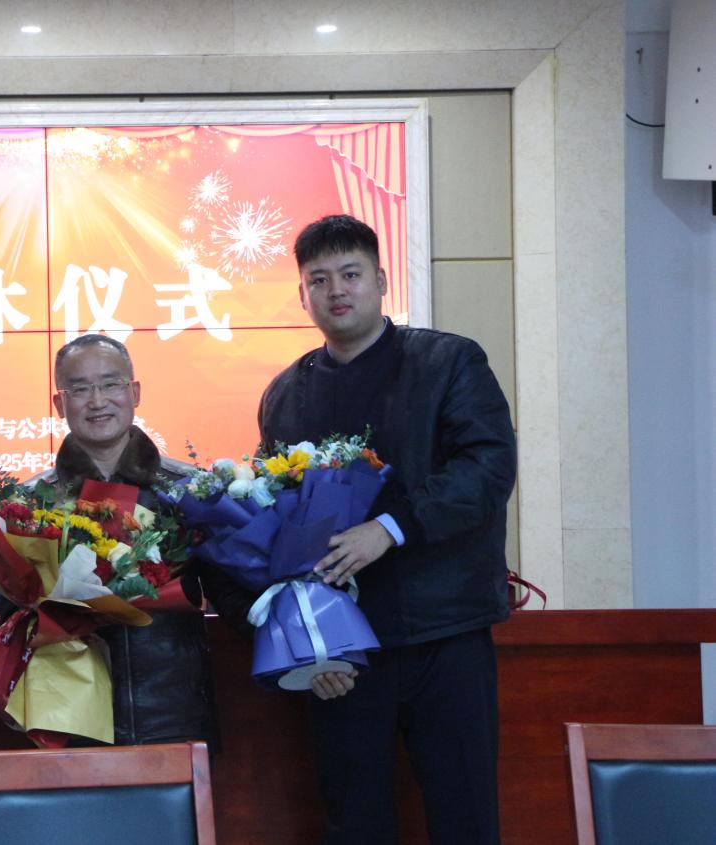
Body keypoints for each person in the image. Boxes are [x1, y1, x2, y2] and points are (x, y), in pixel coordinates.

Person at [257, 215, 517, 845]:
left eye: (350, 274)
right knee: (355, 822)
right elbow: (278, 524)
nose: (336, 291)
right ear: (302, 295)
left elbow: (487, 469)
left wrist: (391, 528)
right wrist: (311, 648)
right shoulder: (286, 394)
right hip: (346, 653)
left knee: (464, 817)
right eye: (319, 280)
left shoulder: (449, 361)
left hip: (445, 632)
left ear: (380, 280)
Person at [26, 334, 248, 750]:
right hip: (72, 722)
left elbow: (231, 592)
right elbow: (14, 613)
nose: (97, 401)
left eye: (110, 384)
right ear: (59, 404)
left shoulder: (188, 491)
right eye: (80, 389)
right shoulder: (32, 502)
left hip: (173, 714)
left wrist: (309, 643)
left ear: (135, 392)